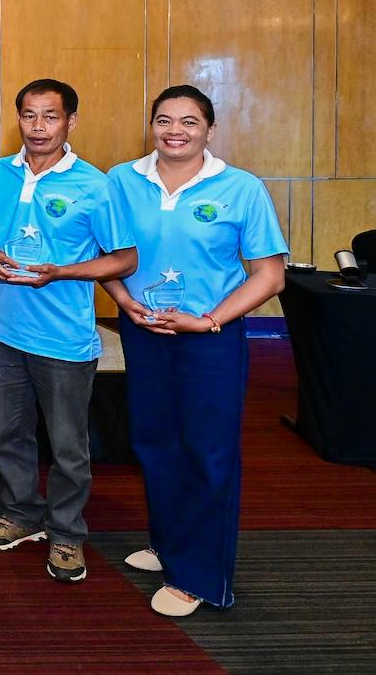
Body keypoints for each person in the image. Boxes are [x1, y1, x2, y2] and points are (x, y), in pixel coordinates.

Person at [102, 85, 287, 617]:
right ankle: (169, 545)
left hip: (210, 338)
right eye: (164, 120)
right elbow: (103, 253)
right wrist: (123, 301)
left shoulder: (241, 188)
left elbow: (269, 275)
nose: (175, 131)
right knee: (155, 442)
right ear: (151, 126)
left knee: (208, 452)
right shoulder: (122, 181)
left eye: (189, 121)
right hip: (144, 331)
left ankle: (201, 577)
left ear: (210, 128)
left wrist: (208, 321)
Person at [0, 78, 136, 583]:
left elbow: (124, 259)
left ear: (70, 121)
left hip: (63, 338)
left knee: (67, 446)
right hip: (1, 330)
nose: (38, 127)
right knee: (10, 434)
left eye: (50, 116)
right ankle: (21, 513)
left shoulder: (96, 185)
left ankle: (66, 533)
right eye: (29, 115)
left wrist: (61, 272)